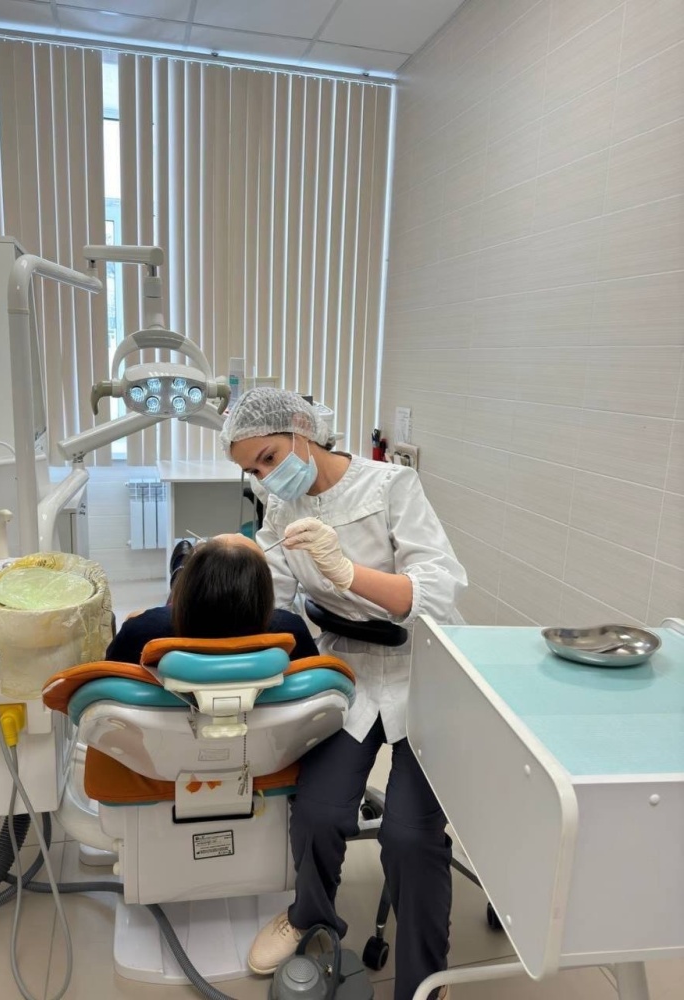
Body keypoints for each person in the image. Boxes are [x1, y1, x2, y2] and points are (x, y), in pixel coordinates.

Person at [220, 388, 467, 1000]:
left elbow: (438, 593)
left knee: (408, 836)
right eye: (254, 471)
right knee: (317, 814)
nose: (266, 478)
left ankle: (425, 978)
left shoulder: (392, 487)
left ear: (302, 429)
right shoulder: (281, 508)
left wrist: (349, 574)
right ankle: (309, 915)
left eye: (270, 458)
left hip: (423, 671)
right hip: (346, 672)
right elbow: (274, 597)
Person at [105, 533, 319, 664]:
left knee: (171, 602)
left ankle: (180, 575)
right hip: (260, 723)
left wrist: (138, 620)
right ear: (264, 590)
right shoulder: (290, 628)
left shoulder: (143, 629)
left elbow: (108, 681)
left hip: (165, 724)